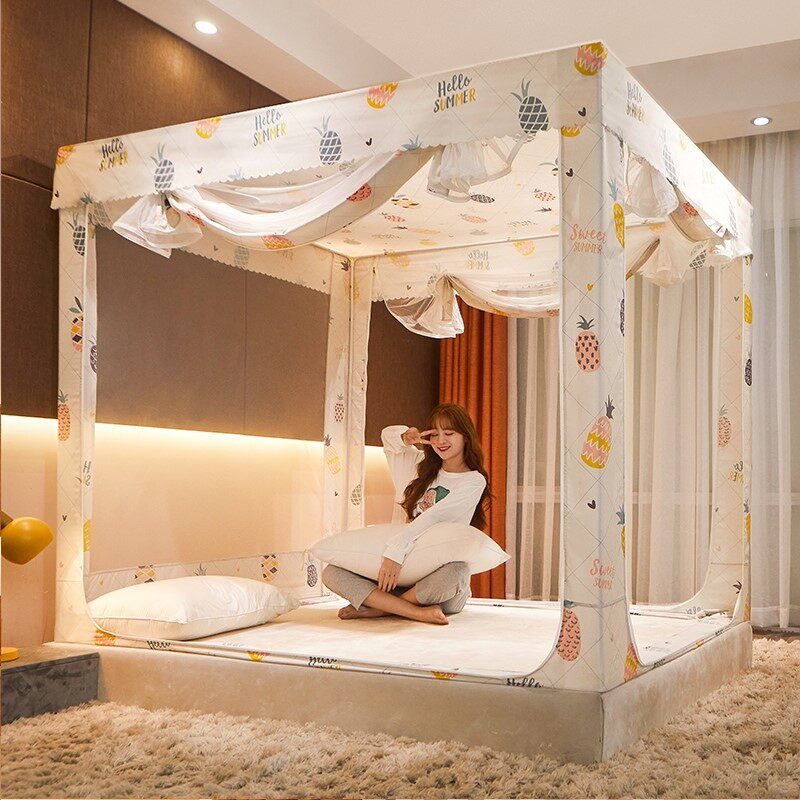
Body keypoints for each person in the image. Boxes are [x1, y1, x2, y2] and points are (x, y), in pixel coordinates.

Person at [322, 403, 491, 625]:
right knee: (332, 573)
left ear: (466, 436)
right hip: (399, 578)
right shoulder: (418, 465)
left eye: (449, 433)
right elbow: (388, 437)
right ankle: (414, 611)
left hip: (437, 586)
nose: (441, 440)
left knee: (458, 572)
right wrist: (407, 437)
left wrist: (395, 552)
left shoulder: (473, 481)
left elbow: (435, 517)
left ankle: (381, 609)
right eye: (435, 434)